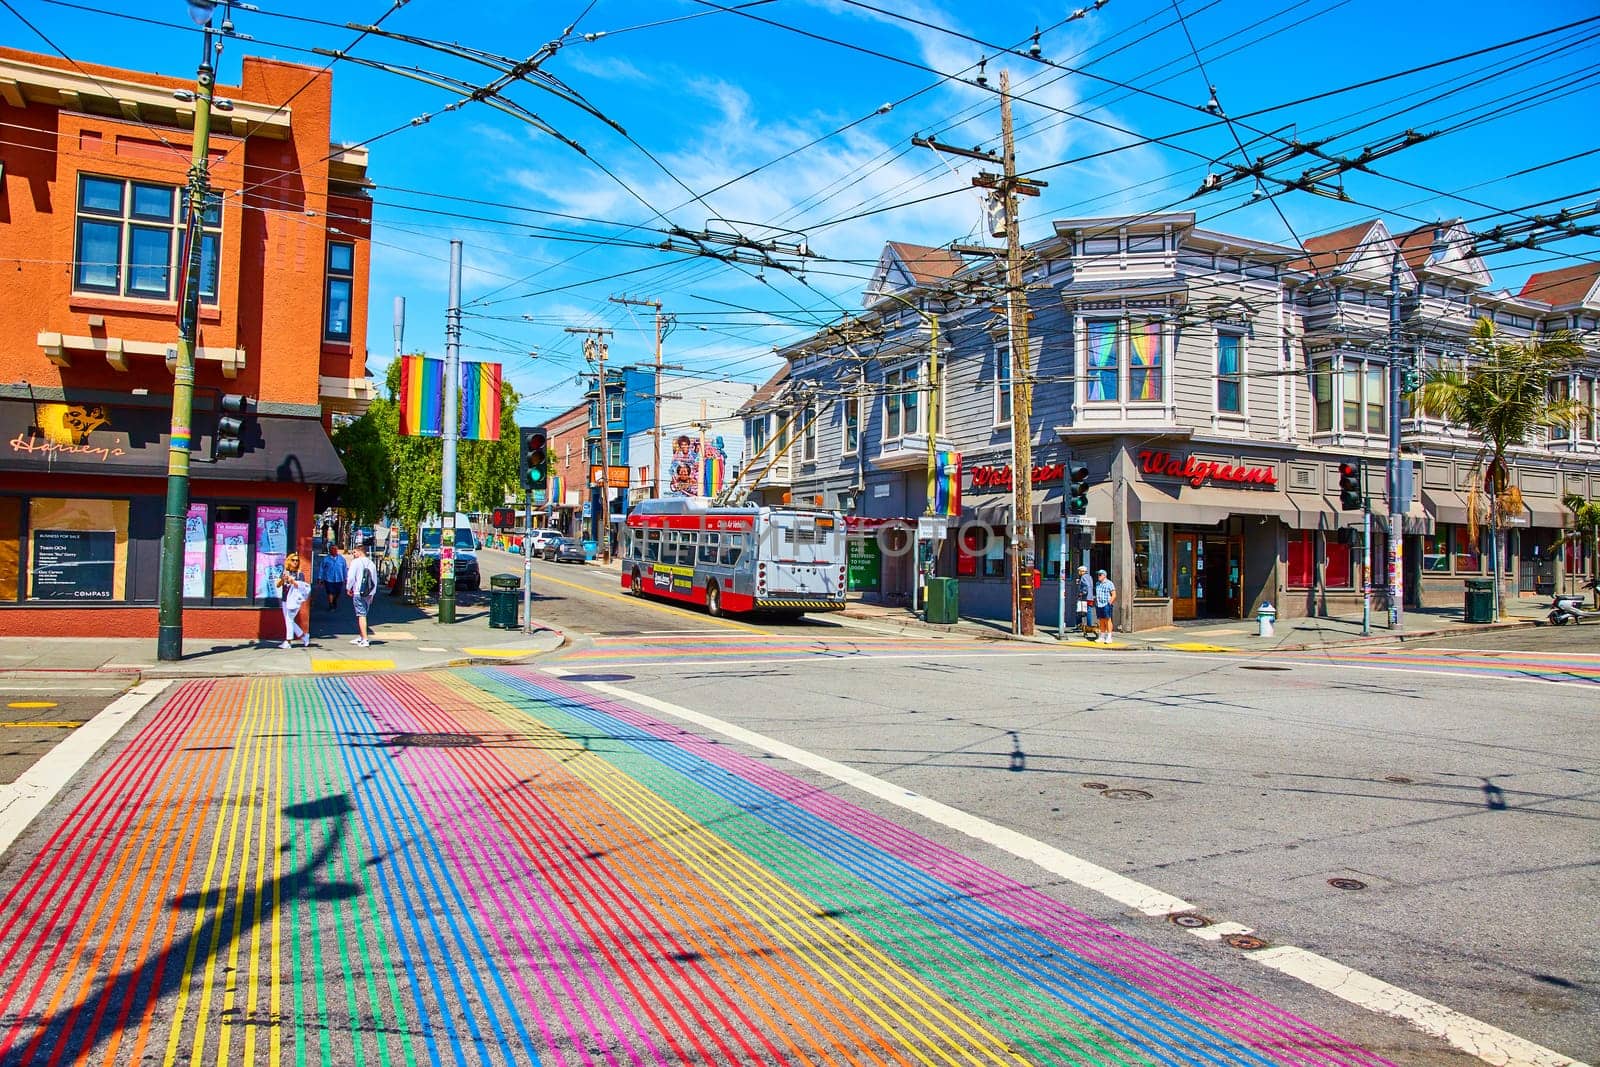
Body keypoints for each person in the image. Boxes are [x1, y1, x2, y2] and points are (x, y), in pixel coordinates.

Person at [345, 543, 380, 647]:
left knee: (361, 615)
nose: (353, 554)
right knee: (363, 613)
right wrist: (372, 593)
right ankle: (361, 636)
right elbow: (374, 580)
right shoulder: (371, 563)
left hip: (358, 591)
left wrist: (348, 588)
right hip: (368, 593)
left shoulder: (356, 562)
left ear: (360, 552)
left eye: (354, 552)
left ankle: (365, 639)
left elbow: (351, 577)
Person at [276, 553, 311, 649]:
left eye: (297, 560)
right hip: (285, 599)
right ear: (289, 561)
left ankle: (288, 641)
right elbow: (278, 585)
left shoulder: (300, 574)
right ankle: (304, 637)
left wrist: (292, 581)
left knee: (289, 619)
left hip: (294, 601)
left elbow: (301, 587)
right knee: (289, 620)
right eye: (293, 560)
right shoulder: (285, 572)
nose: (295, 562)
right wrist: (283, 579)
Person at [318, 544, 347, 612]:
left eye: (335, 549)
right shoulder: (326, 559)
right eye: (332, 549)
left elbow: (344, 569)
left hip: (339, 578)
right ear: (329, 550)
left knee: (338, 592)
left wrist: (346, 578)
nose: (333, 550)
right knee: (330, 592)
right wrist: (320, 578)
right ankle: (331, 605)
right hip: (328, 579)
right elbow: (321, 569)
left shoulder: (341, 559)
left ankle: (334, 601)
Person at [1094, 568, 1117, 639]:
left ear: (1104, 575)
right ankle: (1102, 636)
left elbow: (1114, 594)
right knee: (1101, 620)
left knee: (1107, 620)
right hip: (1099, 604)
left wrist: (1109, 603)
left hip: (1106, 604)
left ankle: (1109, 636)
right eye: (1098, 575)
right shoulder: (1097, 584)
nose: (1098, 576)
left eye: (1100, 575)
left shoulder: (1109, 583)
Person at [1074, 565, 1096, 639]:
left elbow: (1086, 586)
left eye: (1079, 571)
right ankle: (1089, 626)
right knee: (1088, 611)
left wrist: (1082, 592)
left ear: (1082, 571)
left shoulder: (1083, 577)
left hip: (1085, 597)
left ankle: (1080, 625)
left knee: (1080, 611)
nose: (1079, 572)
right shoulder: (1089, 577)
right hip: (1090, 597)